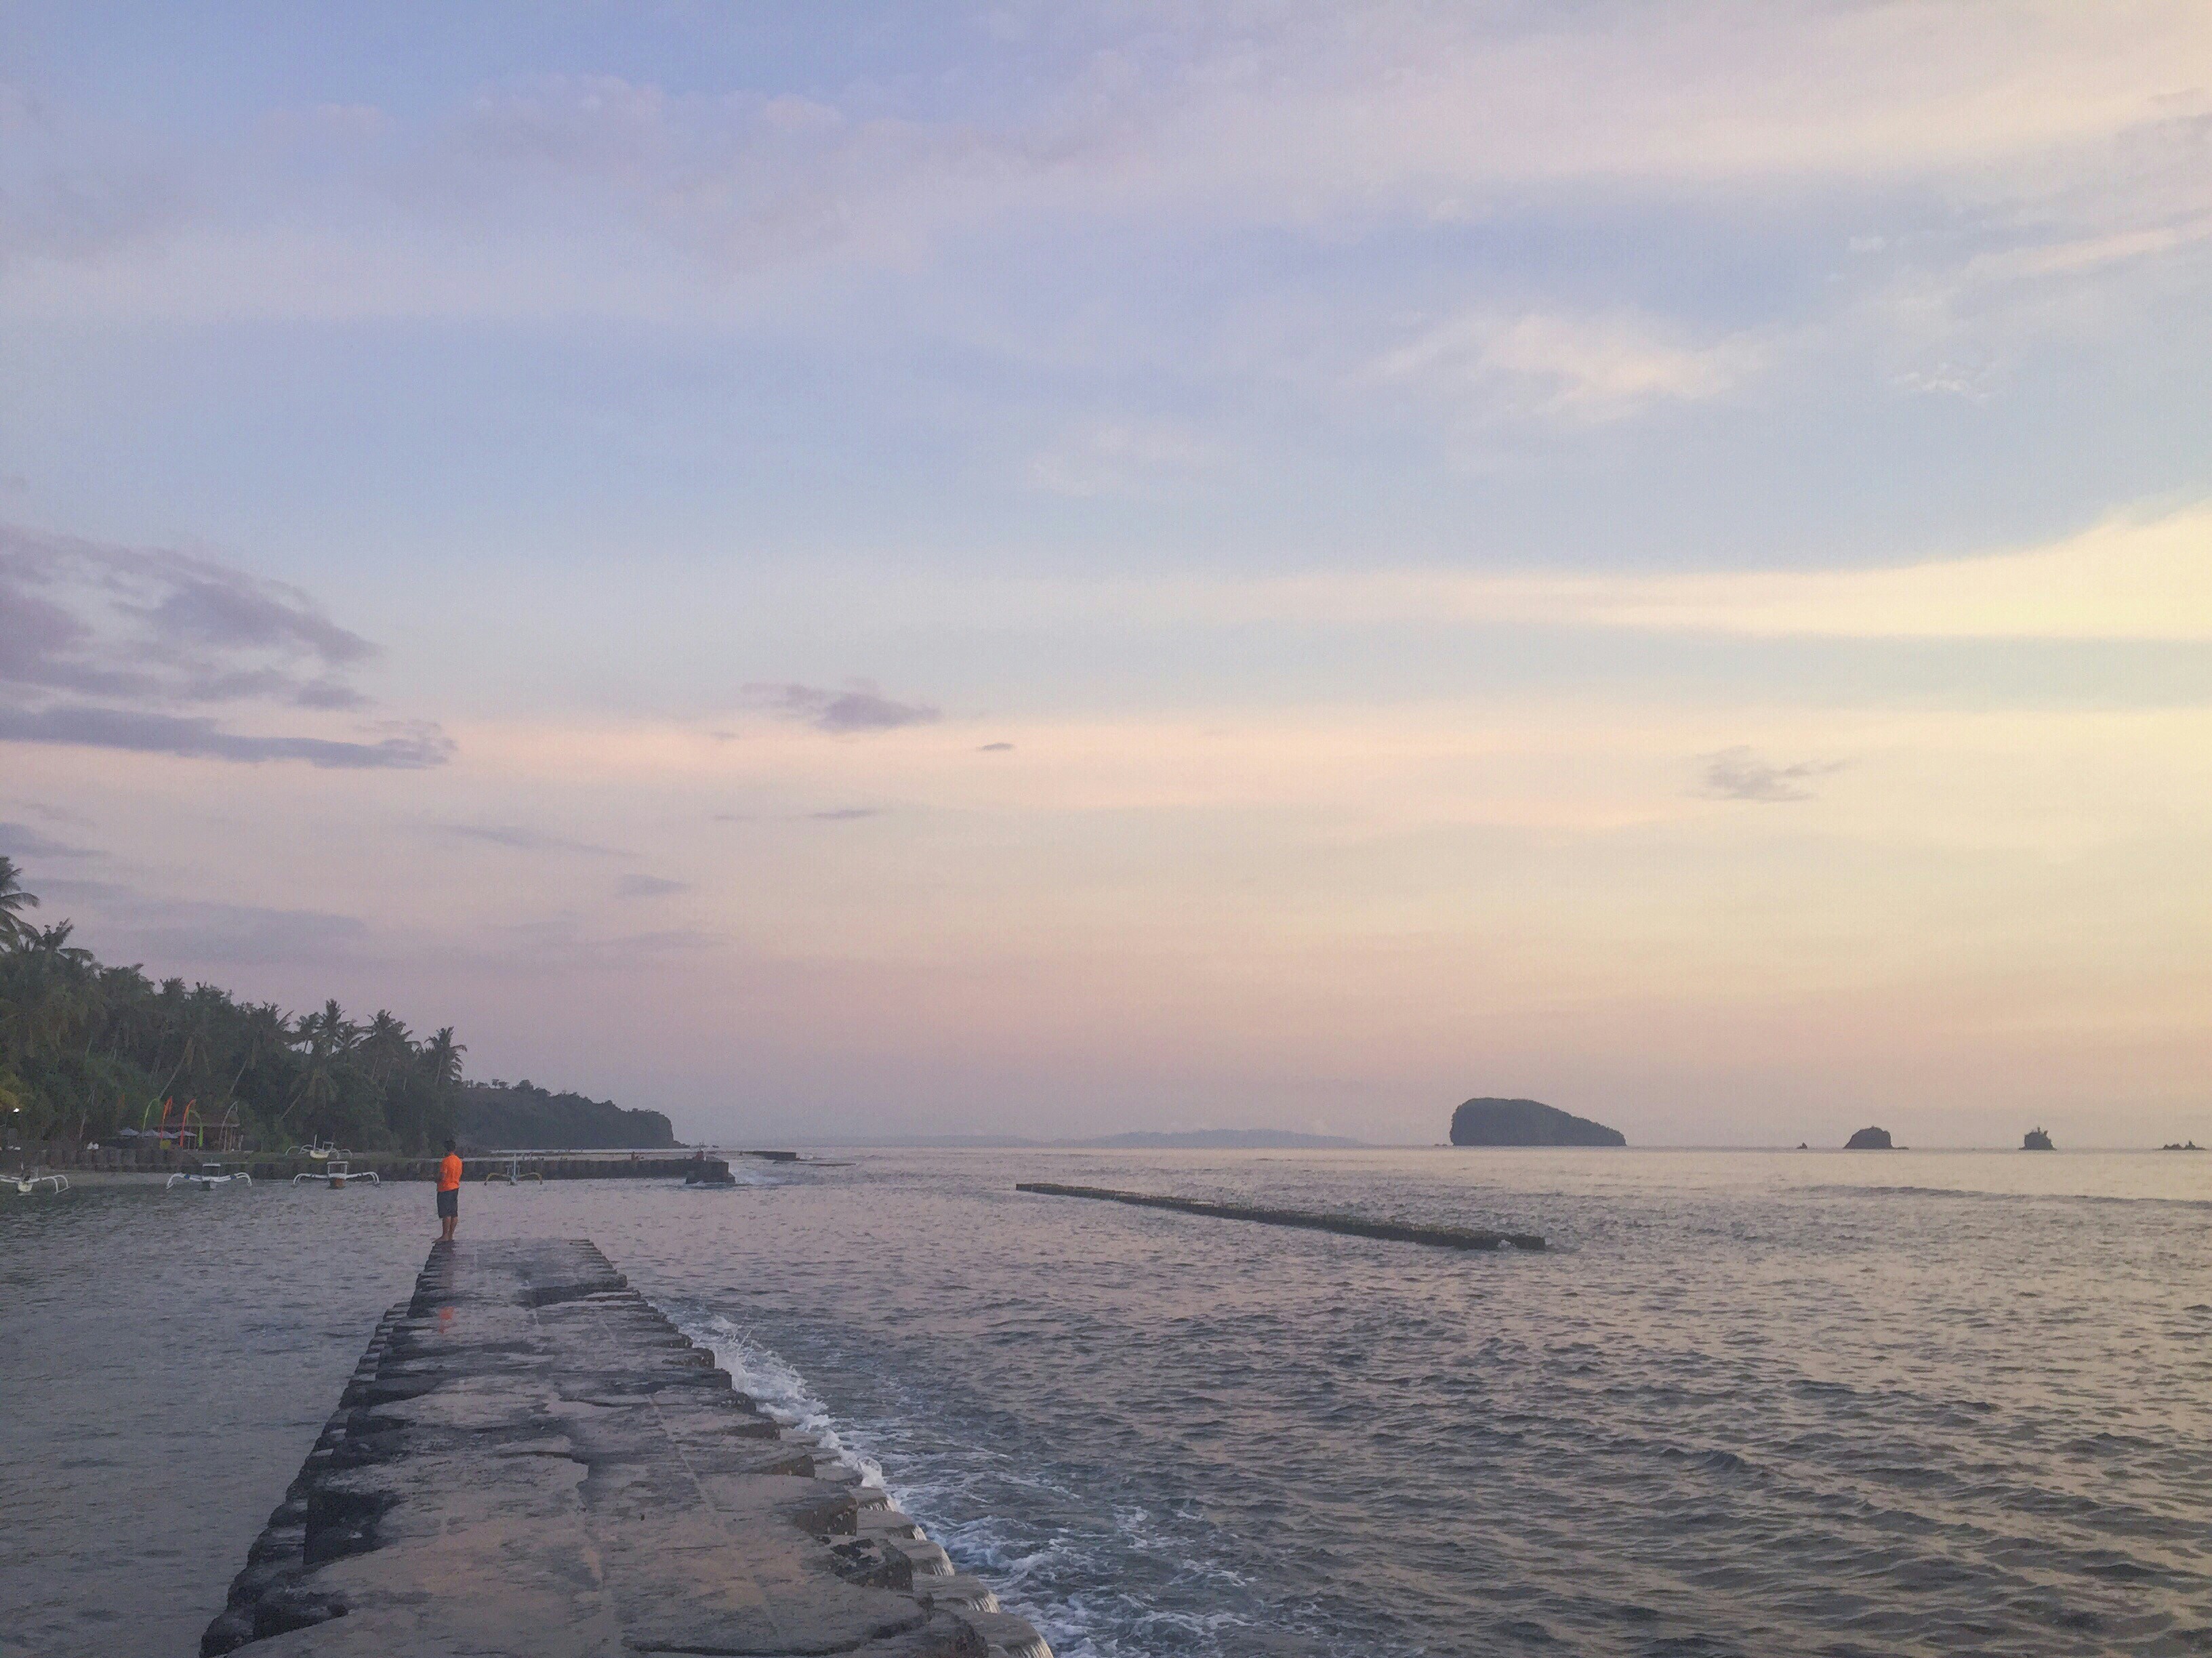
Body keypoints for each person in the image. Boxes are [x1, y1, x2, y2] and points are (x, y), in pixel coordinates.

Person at [435, 1138, 463, 1242]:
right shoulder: (458, 1161)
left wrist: (435, 1179)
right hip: (455, 1187)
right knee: (454, 1213)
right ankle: (451, 1235)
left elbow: (443, 1176)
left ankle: (444, 1235)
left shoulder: (446, 1161)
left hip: (445, 1189)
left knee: (446, 1213)